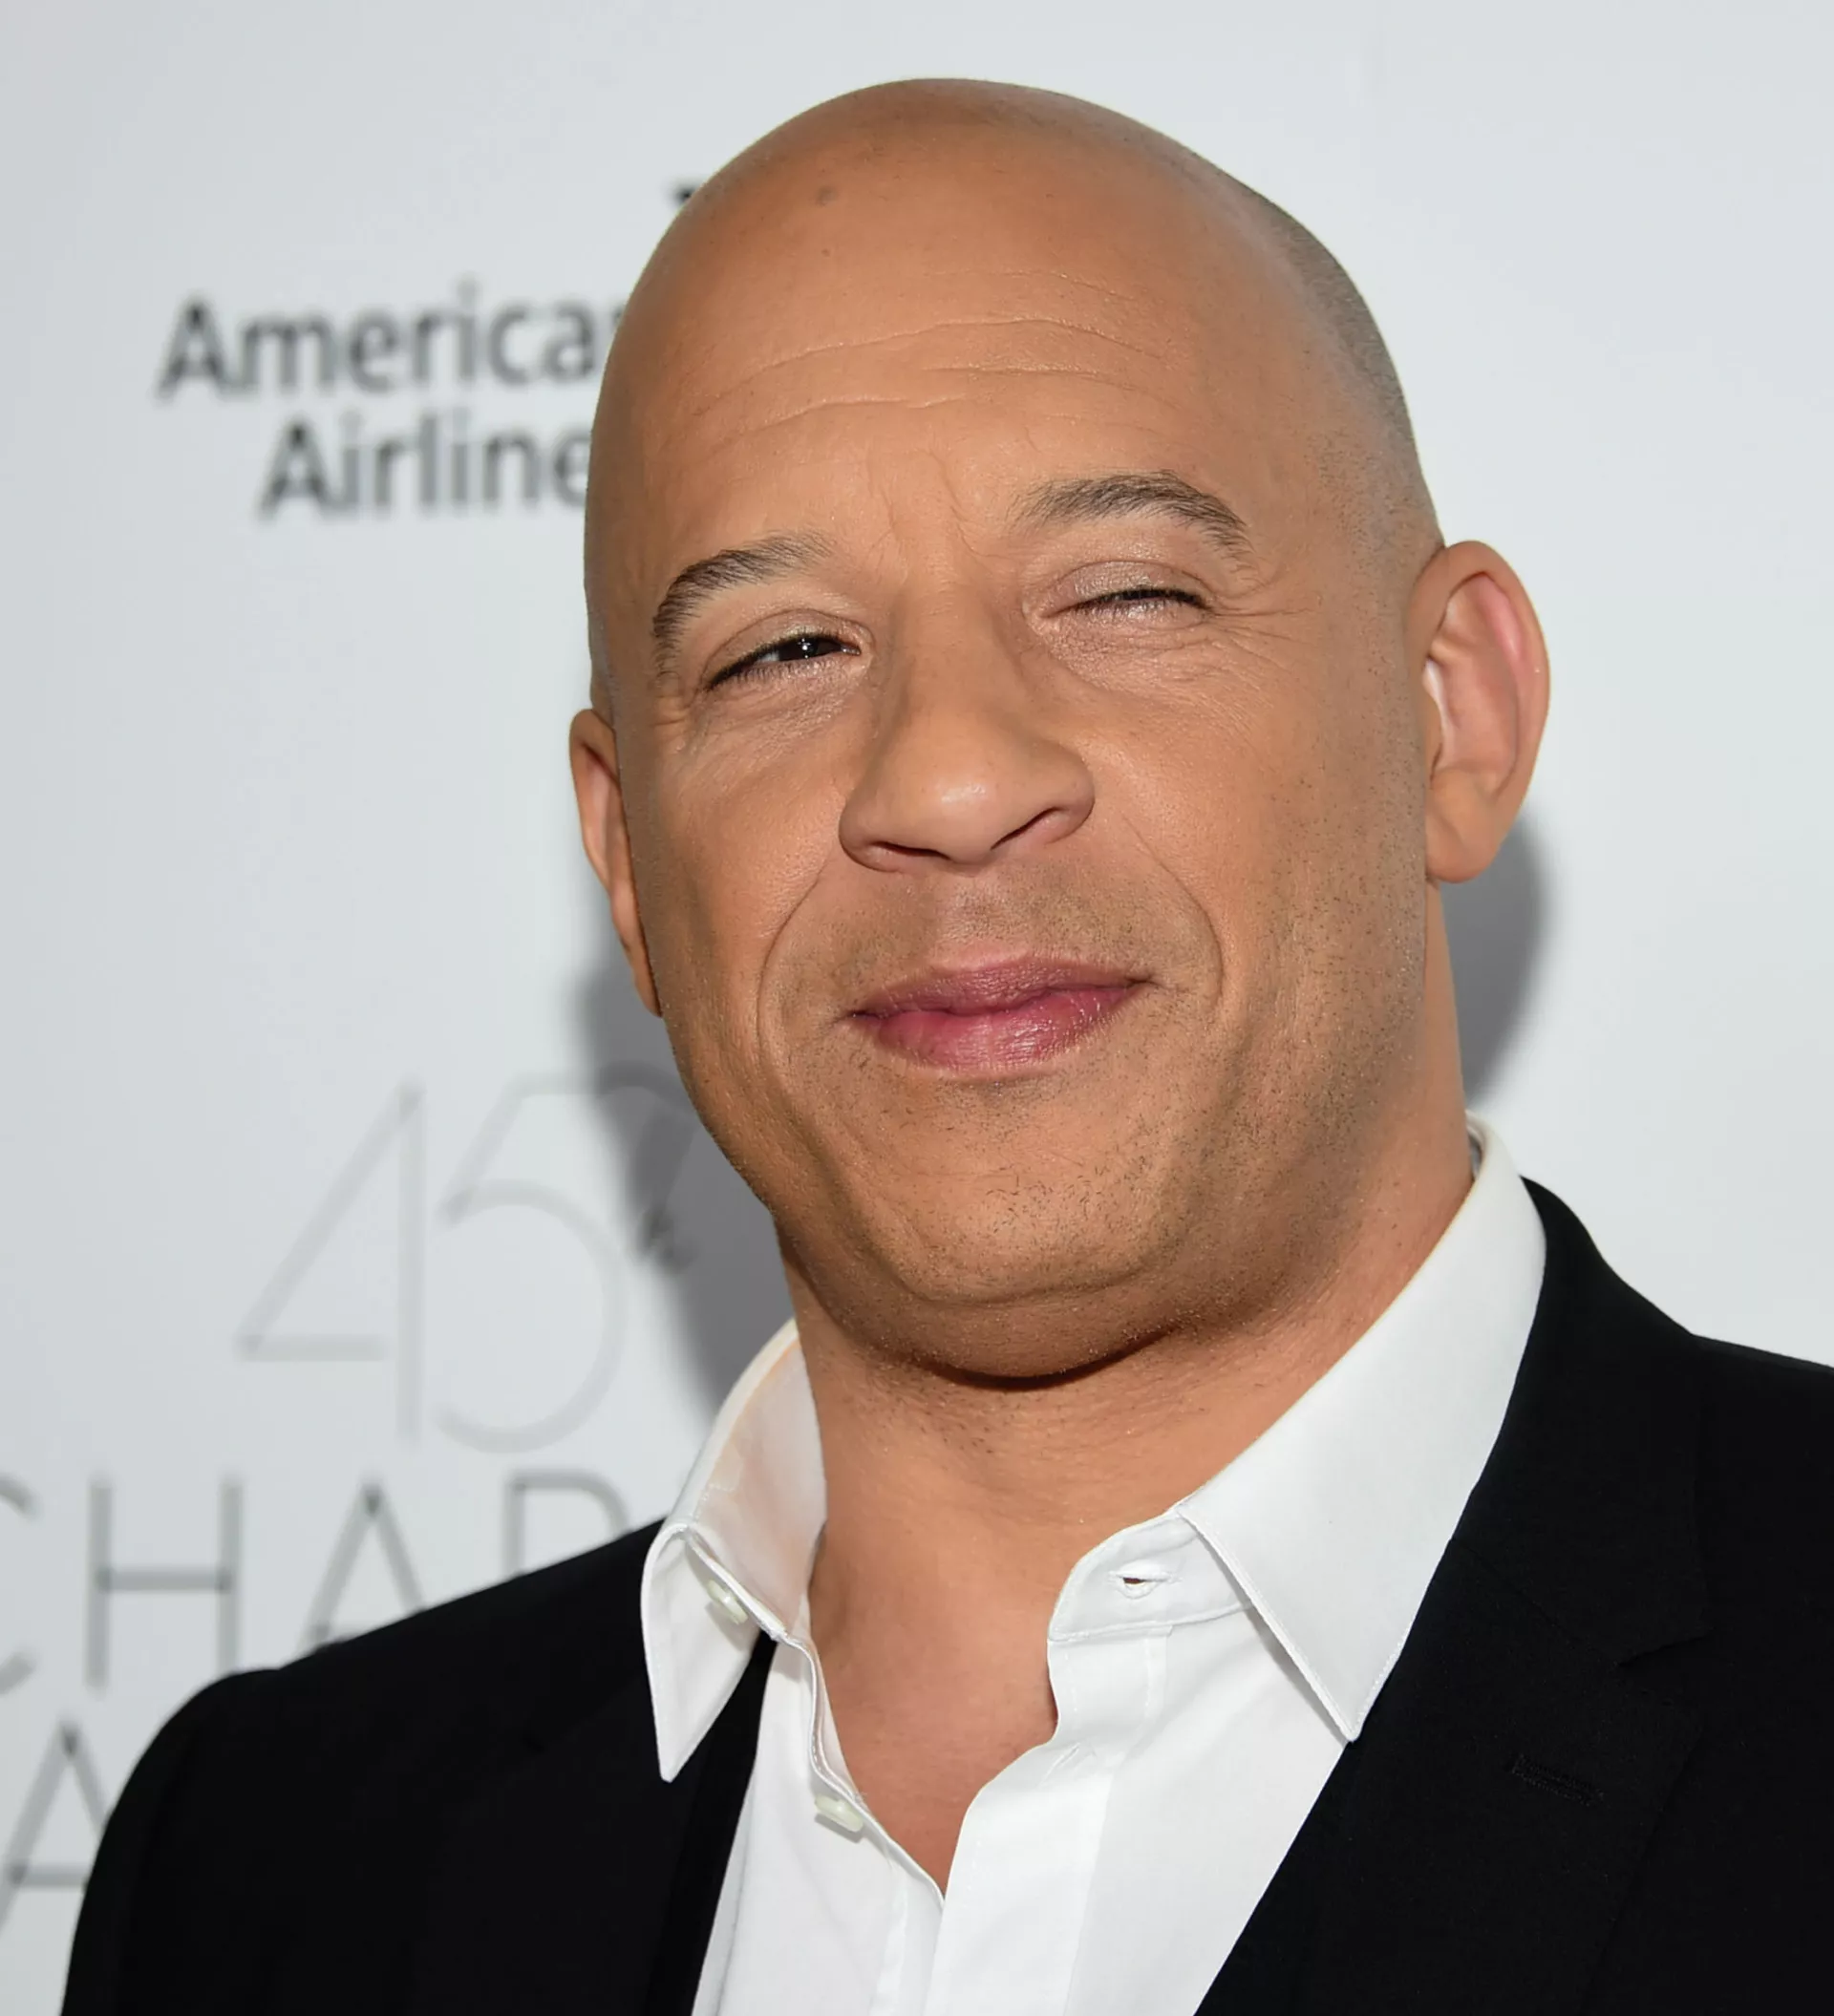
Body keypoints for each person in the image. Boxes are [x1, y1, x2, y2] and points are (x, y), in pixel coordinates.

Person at [64, 79, 1834, 2016]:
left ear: (1452, 714)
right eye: (782, 651)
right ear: (628, 859)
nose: (949, 776)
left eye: (1127, 592)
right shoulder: (267, 1873)